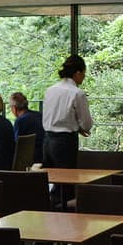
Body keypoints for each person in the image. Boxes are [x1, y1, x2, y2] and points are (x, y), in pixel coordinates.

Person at [43, 55, 94, 207]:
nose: (83, 77)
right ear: (77, 73)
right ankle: (63, 218)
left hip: (47, 140)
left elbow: (52, 116)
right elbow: (86, 123)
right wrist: (81, 128)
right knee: (65, 184)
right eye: (84, 74)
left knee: (52, 180)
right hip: (65, 142)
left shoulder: (50, 90)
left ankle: (50, 214)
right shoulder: (77, 93)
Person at [10, 91, 44, 161]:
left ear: (14, 108)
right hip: (44, 155)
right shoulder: (39, 115)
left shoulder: (20, 120)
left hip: (29, 159)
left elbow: (16, 144)